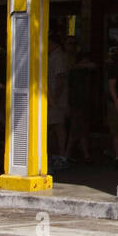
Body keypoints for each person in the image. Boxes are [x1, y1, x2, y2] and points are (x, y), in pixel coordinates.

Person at [47, 36, 70, 171]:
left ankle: (61, 155)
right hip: (50, 97)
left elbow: (60, 78)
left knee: (57, 125)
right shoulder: (50, 56)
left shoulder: (58, 56)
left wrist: (54, 98)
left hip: (55, 99)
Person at [106, 50, 118, 166]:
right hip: (117, 101)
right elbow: (112, 85)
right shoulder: (115, 65)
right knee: (117, 129)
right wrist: (116, 102)